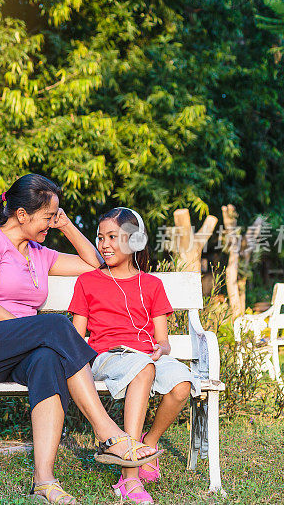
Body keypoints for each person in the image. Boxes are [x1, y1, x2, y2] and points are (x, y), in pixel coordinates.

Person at [0, 175, 162, 504]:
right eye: (48, 216)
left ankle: (44, 480)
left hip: (15, 351)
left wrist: (67, 226)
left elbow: (97, 264)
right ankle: (107, 432)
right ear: (21, 215)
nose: (51, 222)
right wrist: (33, 331)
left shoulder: (40, 253)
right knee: (55, 327)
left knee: (46, 360)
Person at [69, 207, 200, 505]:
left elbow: (163, 341)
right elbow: (76, 337)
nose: (104, 244)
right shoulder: (88, 281)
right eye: (100, 237)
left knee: (182, 386)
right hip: (108, 357)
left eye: (113, 237)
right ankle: (129, 478)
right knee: (142, 369)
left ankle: (147, 444)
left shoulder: (152, 285)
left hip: (146, 356)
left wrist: (161, 350)